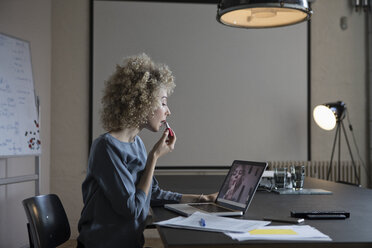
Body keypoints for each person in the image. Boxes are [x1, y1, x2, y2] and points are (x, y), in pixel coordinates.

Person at [77, 53, 216, 248]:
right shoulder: (106, 147)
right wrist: (154, 157)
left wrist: (202, 199)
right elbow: (133, 209)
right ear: (142, 102)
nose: (168, 111)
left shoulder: (137, 143)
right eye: (163, 102)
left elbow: (153, 193)